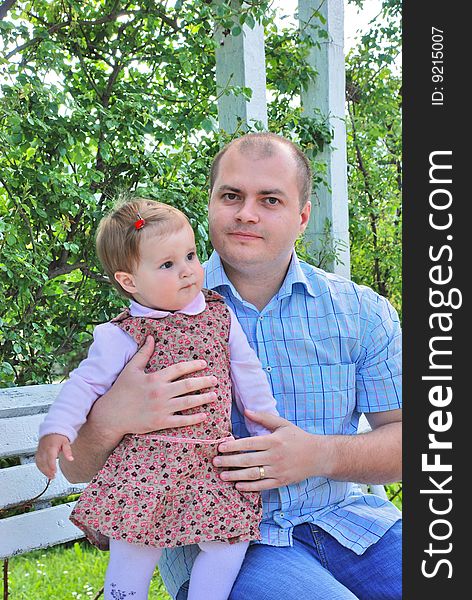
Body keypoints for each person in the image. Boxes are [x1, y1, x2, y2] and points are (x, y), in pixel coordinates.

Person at [60, 132, 402, 600]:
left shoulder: (362, 312)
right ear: (210, 206)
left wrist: (318, 455)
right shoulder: (148, 317)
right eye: (232, 196)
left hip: (351, 526)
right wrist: (113, 418)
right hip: (221, 544)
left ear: (302, 217)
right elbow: (74, 468)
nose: (246, 212)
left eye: (270, 199)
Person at [35, 198, 279, 600]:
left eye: (190, 255)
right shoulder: (121, 334)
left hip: (210, 461)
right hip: (146, 466)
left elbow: (248, 373)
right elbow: (84, 384)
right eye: (167, 265)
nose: (187, 270)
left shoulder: (220, 316)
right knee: (134, 550)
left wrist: (264, 426)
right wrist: (57, 429)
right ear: (129, 281)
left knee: (229, 541)